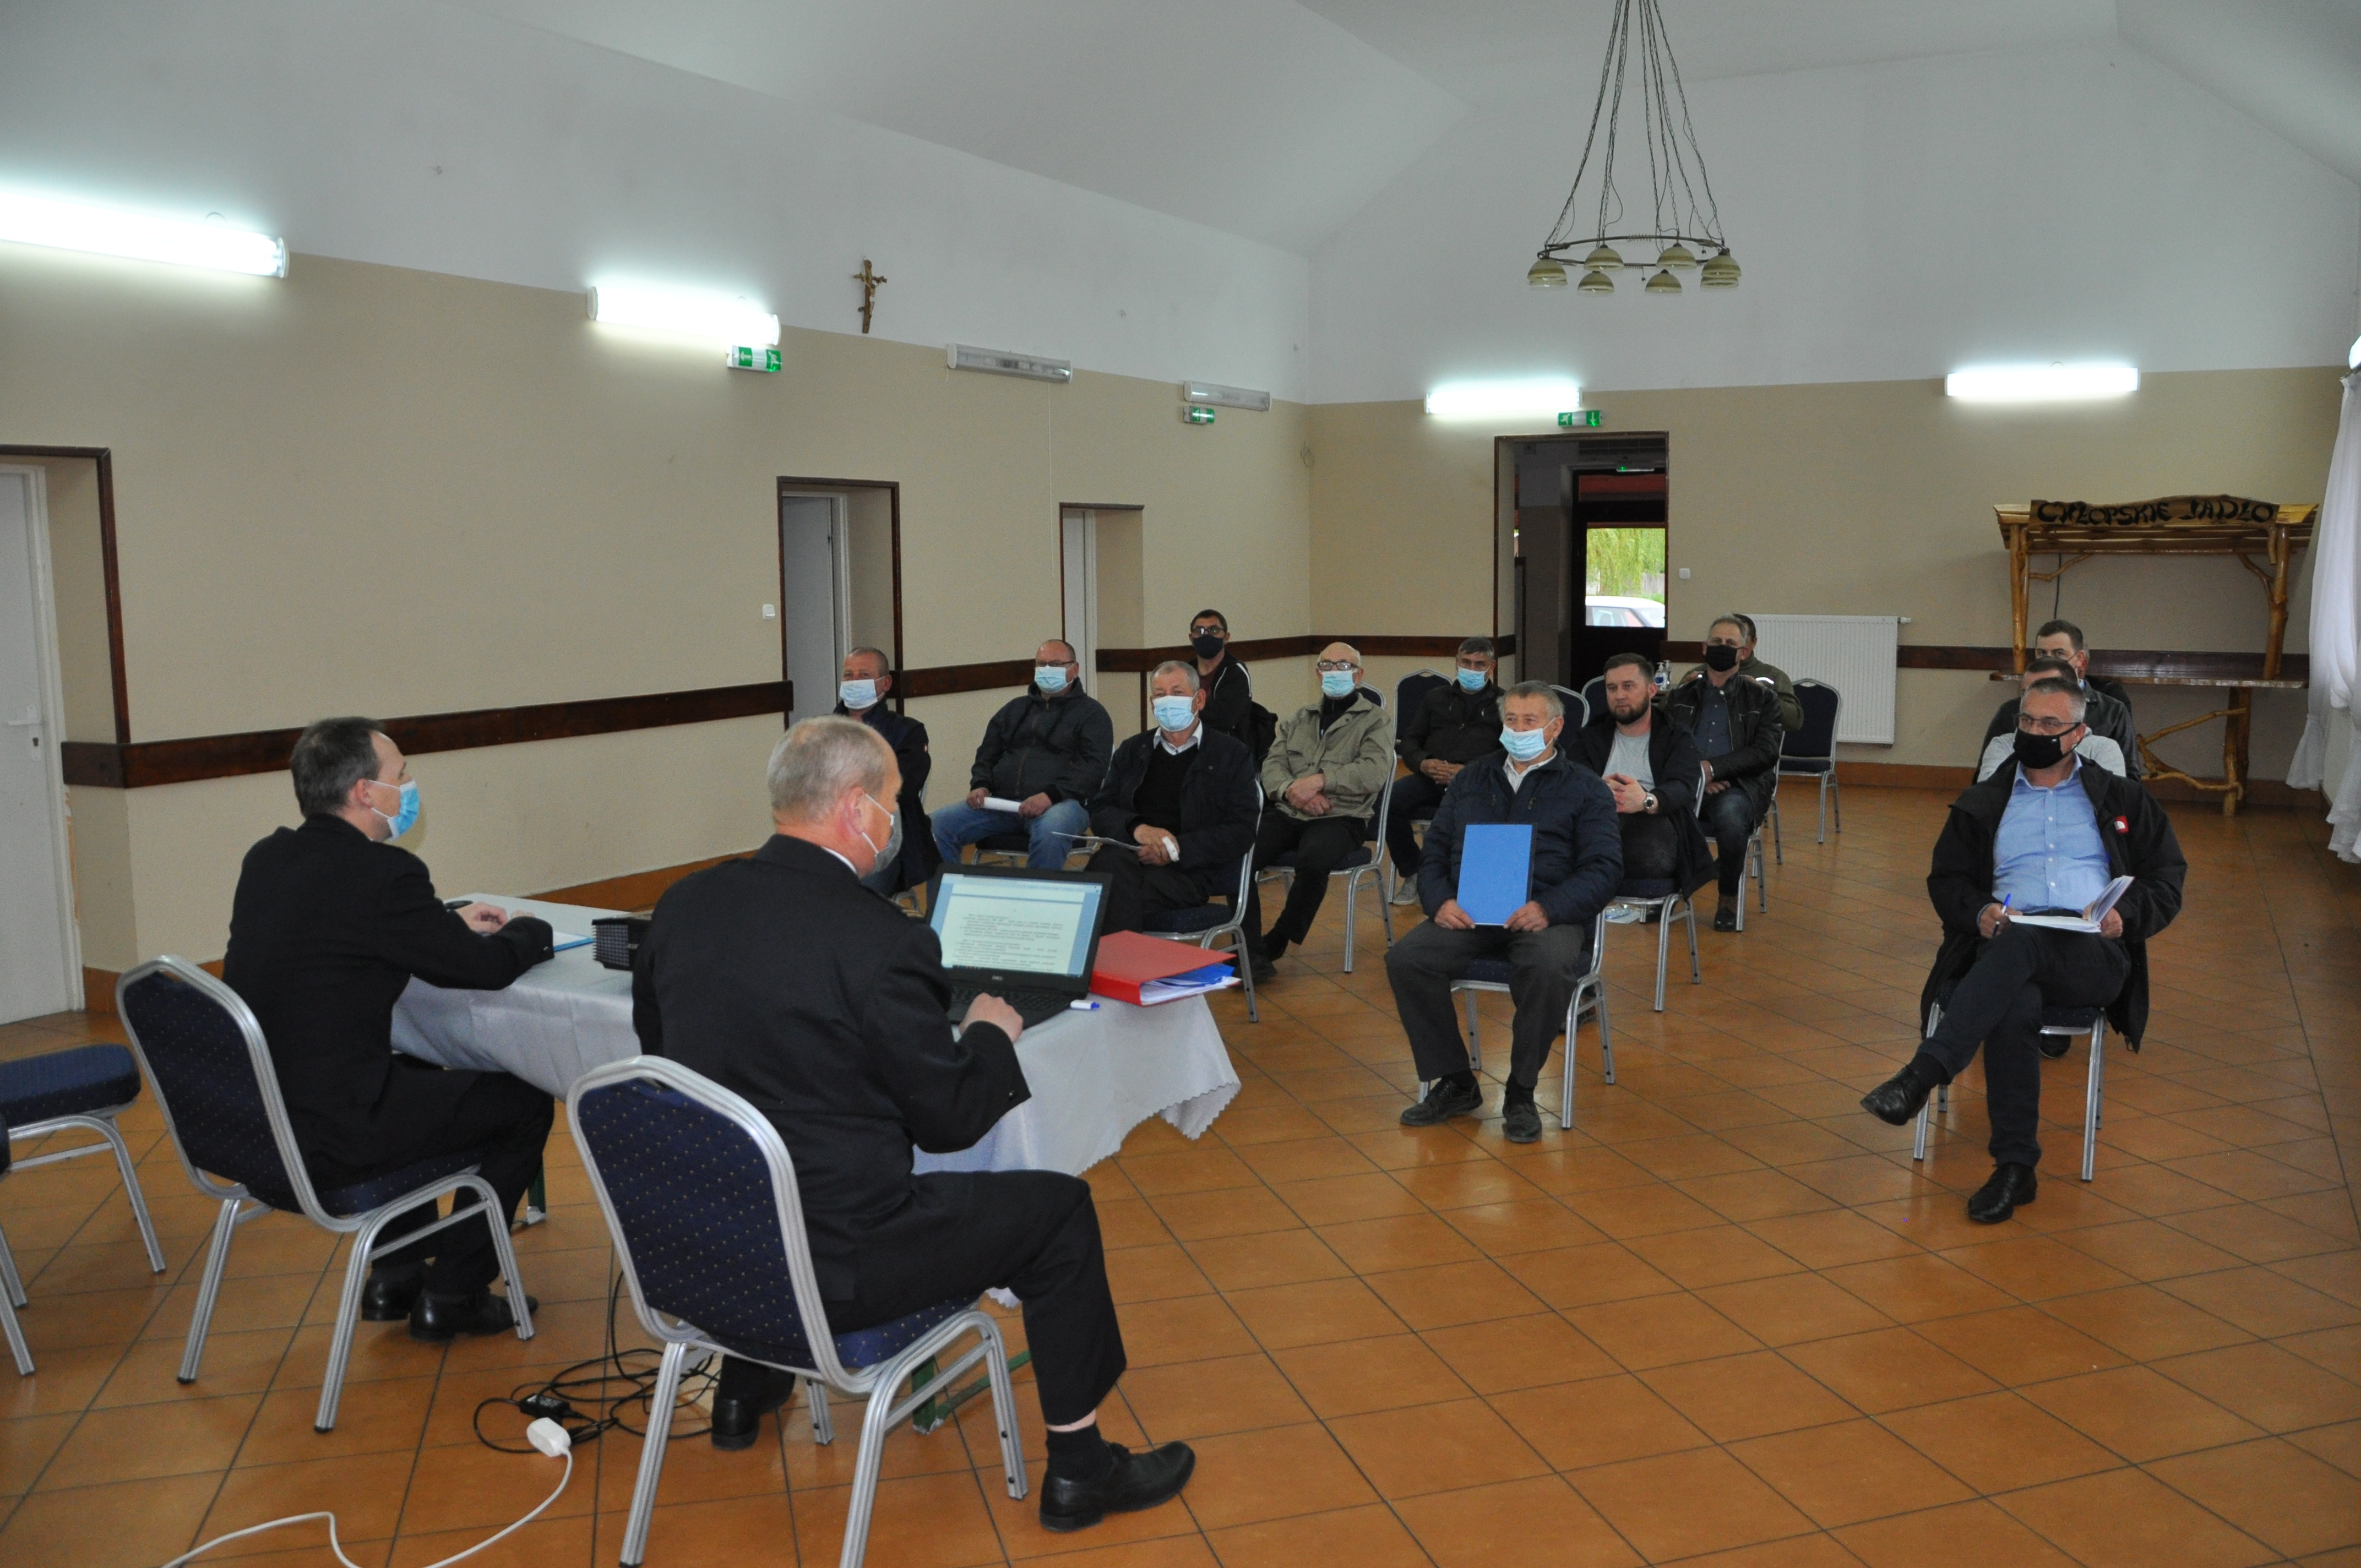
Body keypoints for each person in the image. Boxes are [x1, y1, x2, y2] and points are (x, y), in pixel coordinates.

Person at [633, 718, 1193, 1528]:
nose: (897, 818)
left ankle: (743, 1389)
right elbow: (949, 1121)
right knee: (1059, 1212)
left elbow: (663, 1062)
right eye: (893, 801)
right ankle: (1081, 1471)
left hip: (708, 1246)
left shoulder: (684, 904)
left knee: (774, 1158)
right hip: (840, 1264)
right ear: (855, 808)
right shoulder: (882, 941)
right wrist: (989, 1039)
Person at [222, 717, 554, 1341]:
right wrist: (529, 931)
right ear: (364, 793)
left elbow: (347, 931)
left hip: (255, 1121)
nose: (408, 787)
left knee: (416, 1066)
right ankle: (454, 1291)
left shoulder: (268, 858)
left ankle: (397, 1273)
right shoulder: (382, 875)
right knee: (524, 1102)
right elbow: (483, 970)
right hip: (331, 1134)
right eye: (400, 775)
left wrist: (441, 924)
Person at [1859, 679, 2185, 1224]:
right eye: (2027, 721)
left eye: (2050, 724)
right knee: (2015, 1002)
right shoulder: (1985, 801)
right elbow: (1947, 881)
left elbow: (2168, 878)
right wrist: (1979, 913)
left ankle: (1923, 1073)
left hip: (2092, 952)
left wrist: (2125, 916)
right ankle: (2014, 1169)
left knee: (2023, 947)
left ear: (2078, 734)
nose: (2035, 732)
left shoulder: (2122, 799)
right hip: (2004, 943)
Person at [1387, 684, 1622, 1144]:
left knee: (1546, 966)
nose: (1517, 729)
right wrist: (1440, 902)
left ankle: (1521, 1090)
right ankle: (1456, 1081)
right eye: (1510, 720)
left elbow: (1605, 868)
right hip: (1470, 911)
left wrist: (1549, 908)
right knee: (1407, 960)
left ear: (1555, 728)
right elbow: (1434, 853)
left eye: (1529, 721)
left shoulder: (1585, 788)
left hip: (1546, 913)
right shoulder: (1472, 779)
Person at [1246, 643, 1394, 980]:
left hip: (1343, 817)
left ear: (1359, 674)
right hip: (1290, 811)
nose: (1334, 672)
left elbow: (1373, 772)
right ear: (1318, 673)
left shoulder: (1376, 720)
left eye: (1344, 666)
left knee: (1313, 860)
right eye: (1327, 665)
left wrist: (1319, 782)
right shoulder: (1299, 718)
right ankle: (1250, 947)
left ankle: (1278, 939)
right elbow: (1272, 765)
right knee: (1241, 852)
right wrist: (1292, 791)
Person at [1085, 661, 1260, 934]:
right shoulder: (1133, 750)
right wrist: (1138, 830)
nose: (1168, 701)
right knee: (1112, 872)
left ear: (1199, 700)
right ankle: (1129, 960)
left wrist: (1175, 848)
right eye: (1160, 694)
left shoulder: (1231, 755)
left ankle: (1115, 960)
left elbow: (1242, 830)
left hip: (1188, 872)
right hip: (1128, 857)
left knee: (1103, 892)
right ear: (1152, 704)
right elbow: (1101, 809)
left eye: (1177, 693)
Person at [931, 640, 1114, 872]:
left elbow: (1093, 767)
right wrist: (981, 784)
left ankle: (1034, 894)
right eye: (1042, 664)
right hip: (1003, 804)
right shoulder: (1014, 709)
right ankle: (949, 891)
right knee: (938, 825)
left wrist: (1050, 796)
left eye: (1056, 664)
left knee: (1052, 830)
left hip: (1062, 804)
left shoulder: (1092, 714)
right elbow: (987, 753)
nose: (1047, 670)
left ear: (1074, 669)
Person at [1664, 616, 1786, 930]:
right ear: (1705, 648)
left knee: (1731, 822)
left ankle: (1728, 898)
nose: (1722, 648)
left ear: (1744, 653)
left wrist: (1714, 769)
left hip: (1738, 786)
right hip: (1687, 784)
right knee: (1648, 813)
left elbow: (1766, 752)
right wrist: (1697, 776)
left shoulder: (1762, 698)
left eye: (1731, 644)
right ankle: (1663, 896)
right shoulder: (1681, 695)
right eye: (1716, 642)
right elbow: (1662, 746)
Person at [1568, 652, 1711, 893]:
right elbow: (1573, 781)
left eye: (1628, 686)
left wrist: (1646, 800)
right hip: (1598, 823)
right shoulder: (1590, 735)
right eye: (1612, 688)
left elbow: (1683, 787)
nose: (1619, 695)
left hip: (1655, 828)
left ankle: (1591, 881)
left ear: (1651, 690)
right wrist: (1600, 790)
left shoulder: (1676, 736)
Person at [1386, 638, 1505, 905]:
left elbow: (1507, 752)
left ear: (1492, 667)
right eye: (1466, 663)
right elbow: (1410, 740)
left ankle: (1465, 883)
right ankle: (1414, 872)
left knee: (1474, 815)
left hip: (1477, 782)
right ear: (1457, 663)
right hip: (1432, 777)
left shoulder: (1503, 702)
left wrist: (1468, 770)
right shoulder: (1435, 698)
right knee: (1390, 802)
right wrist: (1424, 763)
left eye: (1479, 664)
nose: (1472, 669)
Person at [834, 645, 941, 895]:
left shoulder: (907, 732)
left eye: (864, 675)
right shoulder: (823, 731)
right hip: (829, 839)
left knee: (853, 894)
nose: (854, 681)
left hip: (885, 844)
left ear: (886, 683)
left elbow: (897, 788)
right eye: (849, 675)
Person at [1981, 622, 2140, 777]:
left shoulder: (2113, 711)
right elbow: (1983, 781)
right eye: (2042, 653)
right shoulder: (2010, 710)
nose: (2048, 659)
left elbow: (2129, 779)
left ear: (2080, 659)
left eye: (2059, 654)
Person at [1974, 657, 2127, 781]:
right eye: (2026, 692)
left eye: (2046, 690)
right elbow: (1987, 798)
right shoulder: (2004, 746)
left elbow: (2113, 801)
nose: (2033, 699)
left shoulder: (2101, 749)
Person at [1188, 609, 1269, 760]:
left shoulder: (1235, 672)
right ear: (1191, 638)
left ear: (1226, 637)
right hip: (1191, 749)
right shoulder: (1185, 672)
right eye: (1199, 631)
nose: (1206, 636)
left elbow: (1225, 719)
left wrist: (1188, 706)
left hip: (1230, 755)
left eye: (1214, 630)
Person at [1728, 613, 1805, 733]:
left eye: (1741, 638)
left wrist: (1765, 696)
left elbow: (1794, 721)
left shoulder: (1773, 676)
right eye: (1721, 641)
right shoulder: (1703, 673)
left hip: (1756, 741)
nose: (1731, 645)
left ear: (1754, 642)